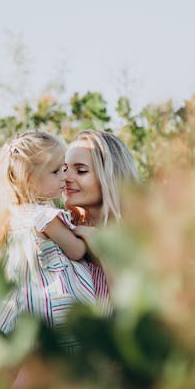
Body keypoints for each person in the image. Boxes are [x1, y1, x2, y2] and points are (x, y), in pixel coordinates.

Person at [0, 131, 97, 341]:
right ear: (28, 179)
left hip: (26, 309)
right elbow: (75, 251)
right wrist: (83, 234)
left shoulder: (9, 219)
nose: (64, 177)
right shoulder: (44, 216)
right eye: (56, 172)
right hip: (56, 305)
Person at [63, 130, 140, 304]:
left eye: (81, 171)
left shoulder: (140, 236)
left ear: (110, 176)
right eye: (64, 169)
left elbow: (130, 306)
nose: (66, 177)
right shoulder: (63, 233)